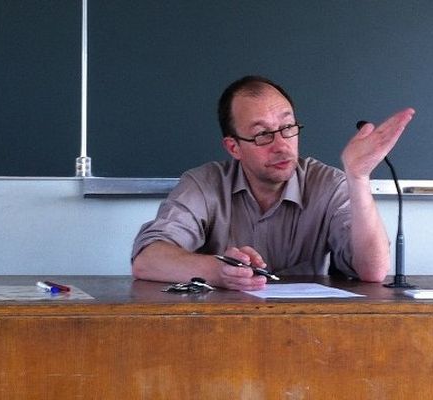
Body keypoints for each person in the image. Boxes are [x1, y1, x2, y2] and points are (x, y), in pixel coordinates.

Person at [131, 75, 414, 291]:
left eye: (288, 128)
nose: (281, 146)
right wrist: (220, 270)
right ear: (233, 148)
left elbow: (372, 271)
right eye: (262, 134)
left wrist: (358, 177)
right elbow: (148, 260)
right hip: (219, 331)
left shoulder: (328, 184)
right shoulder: (204, 184)